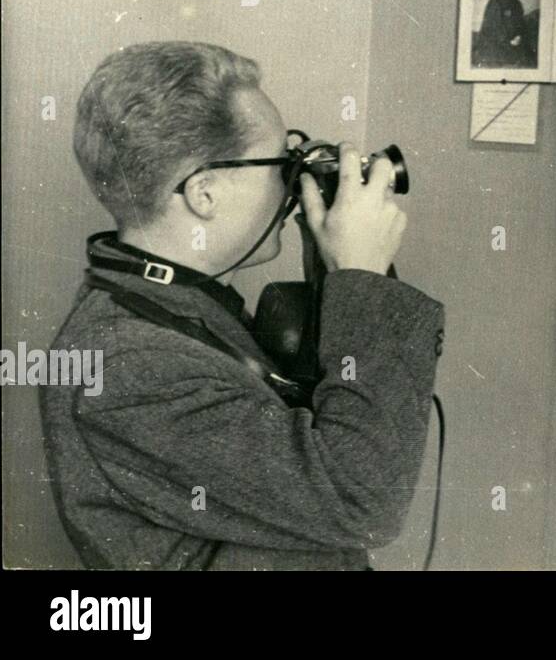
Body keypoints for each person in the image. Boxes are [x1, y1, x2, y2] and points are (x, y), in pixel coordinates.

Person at [40, 41, 444, 570]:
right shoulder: (128, 366)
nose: (294, 179)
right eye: (282, 162)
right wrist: (360, 278)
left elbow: (303, 445)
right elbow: (360, 498)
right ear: (204, 192)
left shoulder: (171, 302)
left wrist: (336, 269)